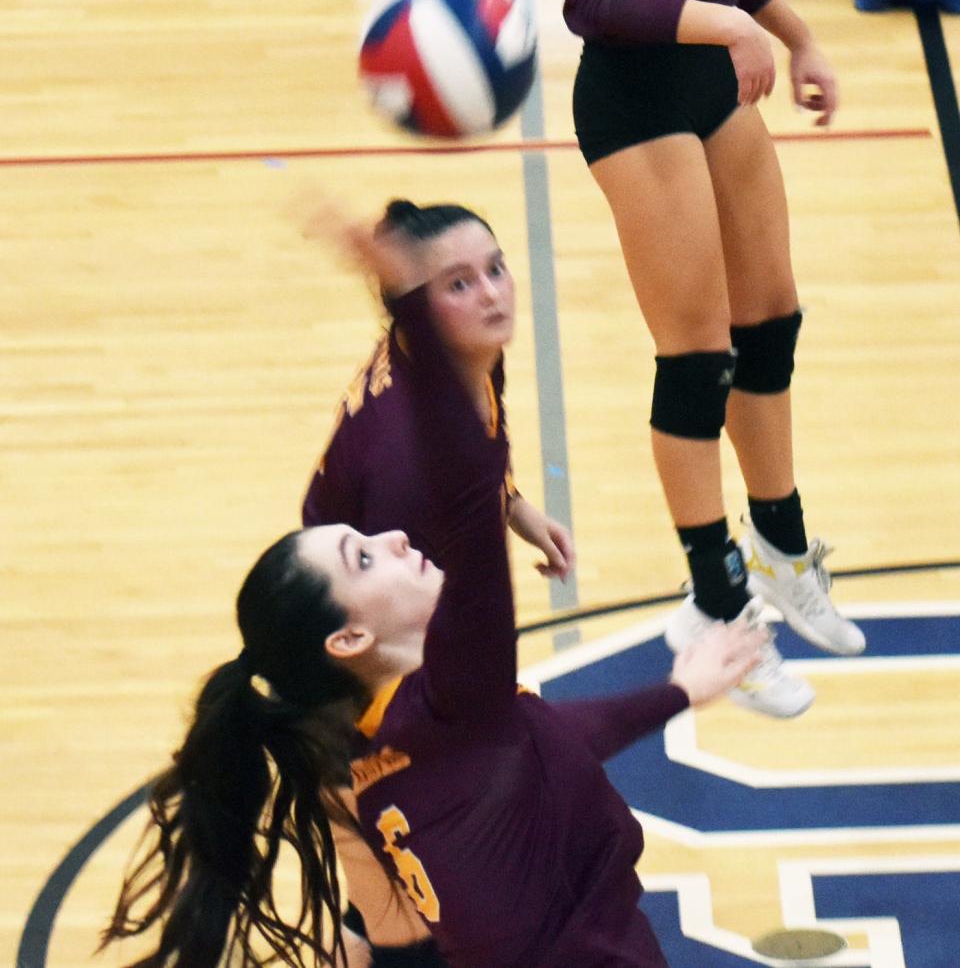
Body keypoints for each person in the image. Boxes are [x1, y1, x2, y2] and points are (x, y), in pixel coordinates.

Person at [392, 0, 865, 719]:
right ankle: (716, 600)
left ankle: (785, 546)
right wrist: (731, 31)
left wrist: (791, 32)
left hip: (714, 74)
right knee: (696, 354)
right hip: (639, 98)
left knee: (772, 323)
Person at [102, 220, 764, 968]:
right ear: (350, 638)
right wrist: (414, 308)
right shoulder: (454, 704)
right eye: (363, 555)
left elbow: (544, 741)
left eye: (494, 270)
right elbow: (466, 502)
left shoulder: (394, 752)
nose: (392, 539)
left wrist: (677, 692)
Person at [301, 198, 575, 968]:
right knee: (410, 931)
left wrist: (514, 507)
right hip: (354, 695)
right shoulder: (411, 472)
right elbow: (426, 645)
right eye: (459, 284)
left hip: (361, 627)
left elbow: (483, 445)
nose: (491, 294)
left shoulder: (457, 356)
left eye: (495, 268)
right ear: (417, 307)